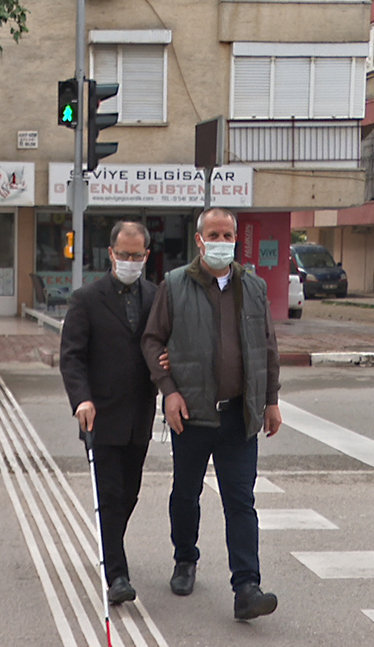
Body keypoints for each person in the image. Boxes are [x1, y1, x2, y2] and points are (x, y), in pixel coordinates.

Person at [141, 207, 283, 621]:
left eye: (227, 234)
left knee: (241, 501)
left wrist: (271, 399)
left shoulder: (253, 288)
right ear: (199, 239)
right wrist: (168, 392)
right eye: (213, 234)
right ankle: (185, 559)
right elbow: (152, 342)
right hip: (192, 413)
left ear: (235, 239)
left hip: (240, 416)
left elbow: (267, 348)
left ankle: (246, 587)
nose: (221, 241)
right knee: (186, 494)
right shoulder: (174, 285)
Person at [59, 221, 158, 605]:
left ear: (146, 256)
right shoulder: (86, 299)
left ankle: (110, 546)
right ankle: (117, 574)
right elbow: (72, 357)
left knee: (129, 494)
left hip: (139, 416)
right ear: (111, 253)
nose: (130, 261)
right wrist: (81, 399)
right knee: (111, 494)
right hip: (100, 416)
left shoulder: (155, 297)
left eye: (137, 256)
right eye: (123, 254)